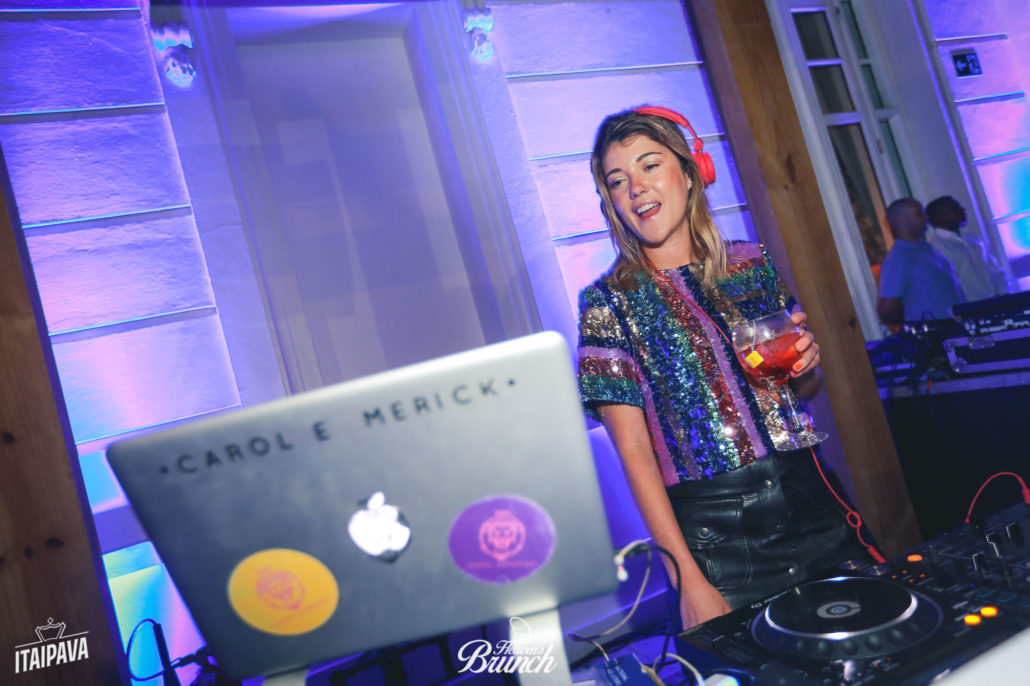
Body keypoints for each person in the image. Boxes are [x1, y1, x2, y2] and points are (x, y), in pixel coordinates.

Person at [576, 106, 872, 631]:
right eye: (617, 180)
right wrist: (686, 578)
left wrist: (807, 365)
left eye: (650, 165)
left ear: (691, 173)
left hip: (811, 496)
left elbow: (800, 388)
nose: (636, 188)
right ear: (611, 202)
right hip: (717, 539)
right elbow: (634, 452)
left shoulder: (751, 262)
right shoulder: (607, 303)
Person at [876, 198, 964, 326]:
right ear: (902, 220)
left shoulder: (925, 248)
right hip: (937, 331)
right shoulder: (899, 257)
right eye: (919, 213)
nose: (925, 217)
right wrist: (917, 328)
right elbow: (886, 310)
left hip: (955, 328)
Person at [925, 195, 1008, 302]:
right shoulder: (936, 247)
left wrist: (1004, 294)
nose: (962, 210)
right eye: (955, 208)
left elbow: (995, 270)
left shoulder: (972, 239)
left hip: (997, 302)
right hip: (971, 307)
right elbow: (947, 285)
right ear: (940, 217)